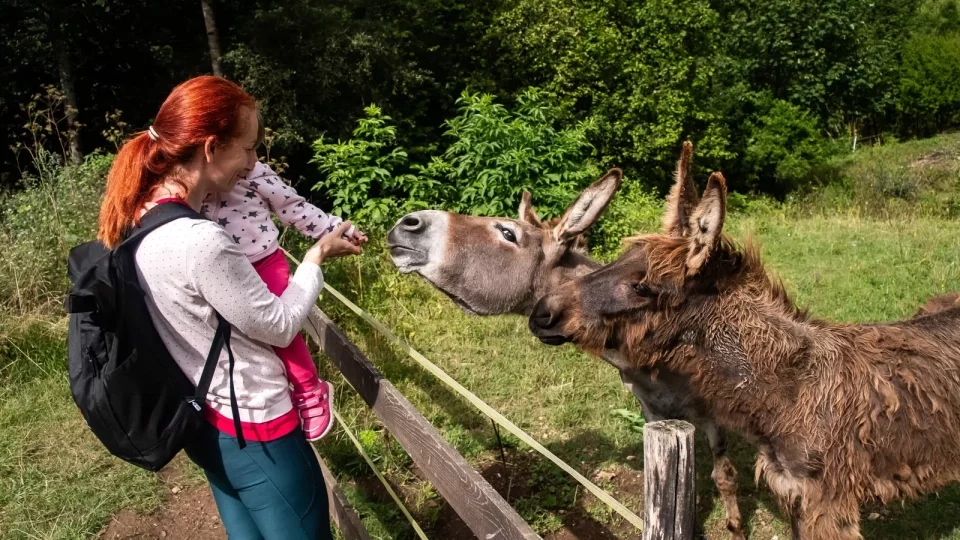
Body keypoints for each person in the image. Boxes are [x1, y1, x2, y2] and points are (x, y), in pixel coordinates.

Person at [97, 75, 358, 539]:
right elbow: (278, 326)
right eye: (249, 149)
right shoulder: (201, 241)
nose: (254, 163)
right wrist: (316, 256)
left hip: (203, 419)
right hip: (257, 426)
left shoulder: (140, 219)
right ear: (212, 147)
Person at [200, 159, 367, 441]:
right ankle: (258, 389)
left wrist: (338, 229)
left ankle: (309, 388)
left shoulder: (252, 170)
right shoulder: (192, 172)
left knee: (282, 332)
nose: (251, 155)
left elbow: (293, 206)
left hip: (264, 261)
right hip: (222, 265)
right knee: (236, 331)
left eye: (254, 147)